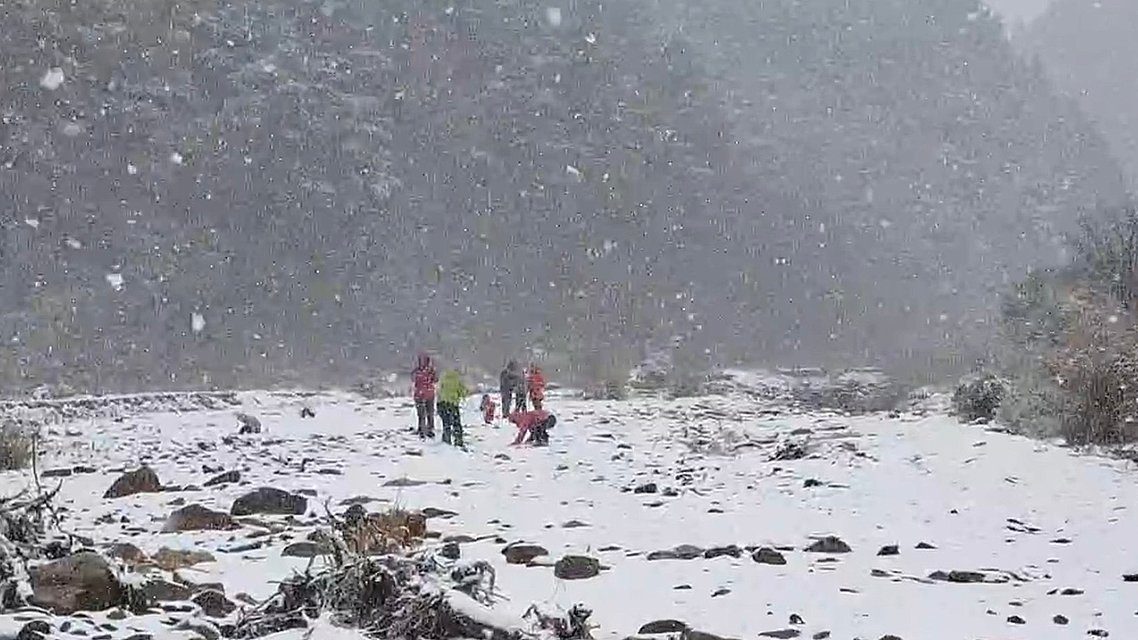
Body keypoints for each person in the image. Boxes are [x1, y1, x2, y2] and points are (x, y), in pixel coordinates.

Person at [437, 369, 469, 447]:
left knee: (446, 423)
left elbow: (439, 391)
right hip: (452, 404)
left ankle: (446, 439)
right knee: (456, 423)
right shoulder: (457, 381)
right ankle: (458, 440)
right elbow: (463, 392)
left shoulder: (443, 380)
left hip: (442, 404)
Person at [412, 353, 438, 439]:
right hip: (429, 393)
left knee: (421, 413)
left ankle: (422, 429)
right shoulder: (431, 371)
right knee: (429, 412)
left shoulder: (417, 371)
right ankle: (429, 429)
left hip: (420, 394)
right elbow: (435, 380)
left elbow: (414, 380)